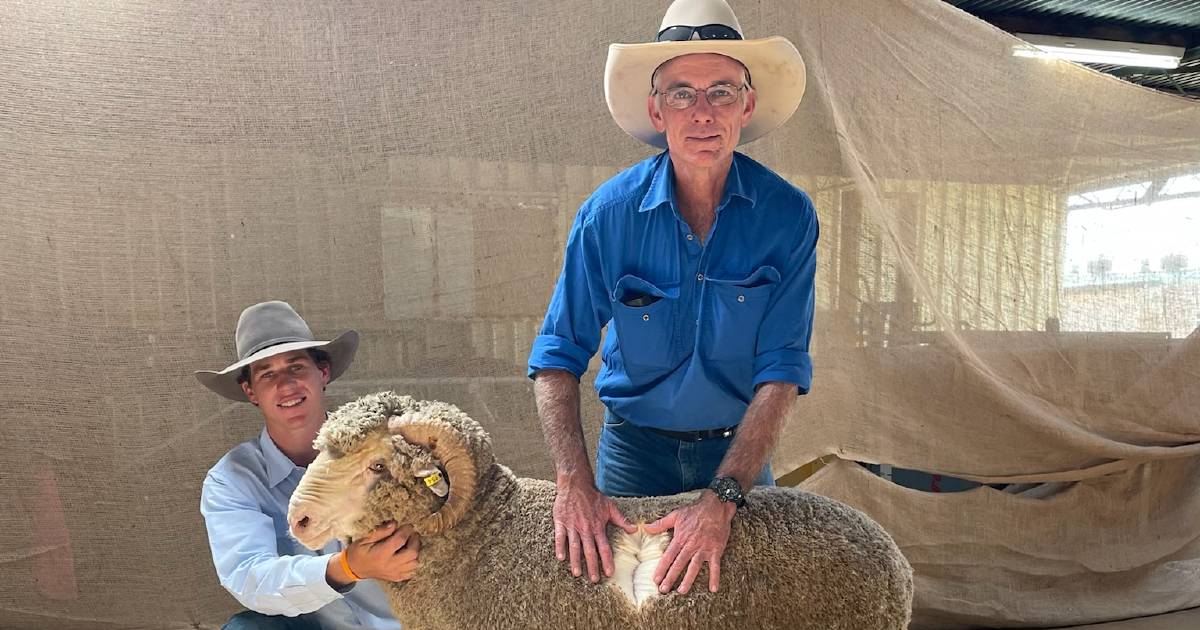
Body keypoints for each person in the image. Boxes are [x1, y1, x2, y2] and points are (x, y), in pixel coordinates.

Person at [527, 0, 817, 598]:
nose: (703, 113)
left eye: (722, 91)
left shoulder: (788, 218)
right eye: (682, 93)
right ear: (656, 110)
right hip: (633, 453)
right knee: (623, 603)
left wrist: (726, 494)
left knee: (748, 603)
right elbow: (557, 356)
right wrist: (572, 482)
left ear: (748, 105)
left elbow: (782, 368)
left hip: (736, 457)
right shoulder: (607, 217)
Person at [197, 301, 418, 630]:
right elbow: (249, 577)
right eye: (267, 374)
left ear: (323, 372)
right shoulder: (231, 480)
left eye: (296, 366)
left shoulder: (387, 449)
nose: (284, 385)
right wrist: (348, 567)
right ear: (250, 390)